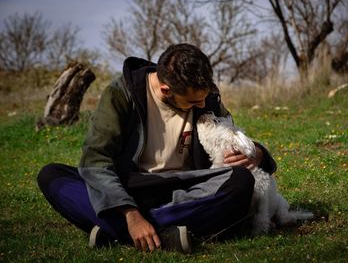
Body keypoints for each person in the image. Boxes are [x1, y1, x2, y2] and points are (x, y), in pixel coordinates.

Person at [37, 43, 276, 254]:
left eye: (205, 98)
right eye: (193, 102)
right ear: (165, 90)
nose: (203, 105)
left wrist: (259, 153)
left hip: (189, 188)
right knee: (52, 176)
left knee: (241, 181)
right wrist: (130, 214)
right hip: (131, 186)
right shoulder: (120, 94)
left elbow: (234, 135)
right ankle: (157, 232)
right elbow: (95, 160)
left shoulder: (205, 96)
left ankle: (118, 232)